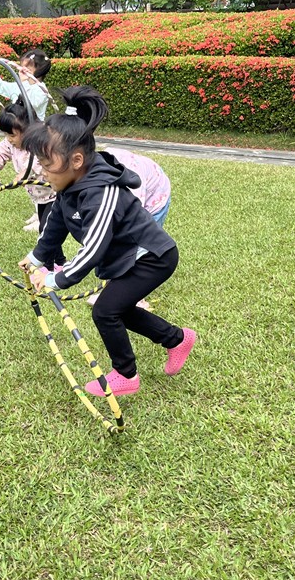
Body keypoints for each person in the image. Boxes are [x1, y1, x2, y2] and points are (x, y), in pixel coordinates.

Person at [17, 86, 196, 397]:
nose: (43, 173)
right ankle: (177, 339)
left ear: (76, 160)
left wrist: (57, 279)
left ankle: (126, 374)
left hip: (152, 257)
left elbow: (94, 247)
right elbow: (55, 224)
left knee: (104, 311)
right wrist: (35, 258)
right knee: (119, 309)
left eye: (46, 164)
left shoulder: (101, 192)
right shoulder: (70, 187)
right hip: (131, 256)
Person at [87, 147, 172, 309]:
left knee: (137, 247)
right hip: (138, 188)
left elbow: (130, 216)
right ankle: (117, 288)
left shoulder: (131, 182)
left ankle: (135, 297)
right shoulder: (96, 169)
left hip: (155, 199)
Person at [0, 98, 65, 269]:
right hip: (40, 197)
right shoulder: (10, 144)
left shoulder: (40, 142)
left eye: (12, 135)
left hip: (54, 193)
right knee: (49, 229)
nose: (9, 139)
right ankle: (60, 262)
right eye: (6, 134)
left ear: (28, 130)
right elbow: (0, 152)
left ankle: (48, 268)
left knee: (46, 230)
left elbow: (39, 162)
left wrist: (24, 174)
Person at [0, 48, 54, 122]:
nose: (22, 70)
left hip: (34, 127)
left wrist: (24, 82)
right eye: (21, 67)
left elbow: (29, 104)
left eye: (28, 69)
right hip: (16, 126)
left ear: (40, 72)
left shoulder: (42, 90)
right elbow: (0, 86)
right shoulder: (17, 85)